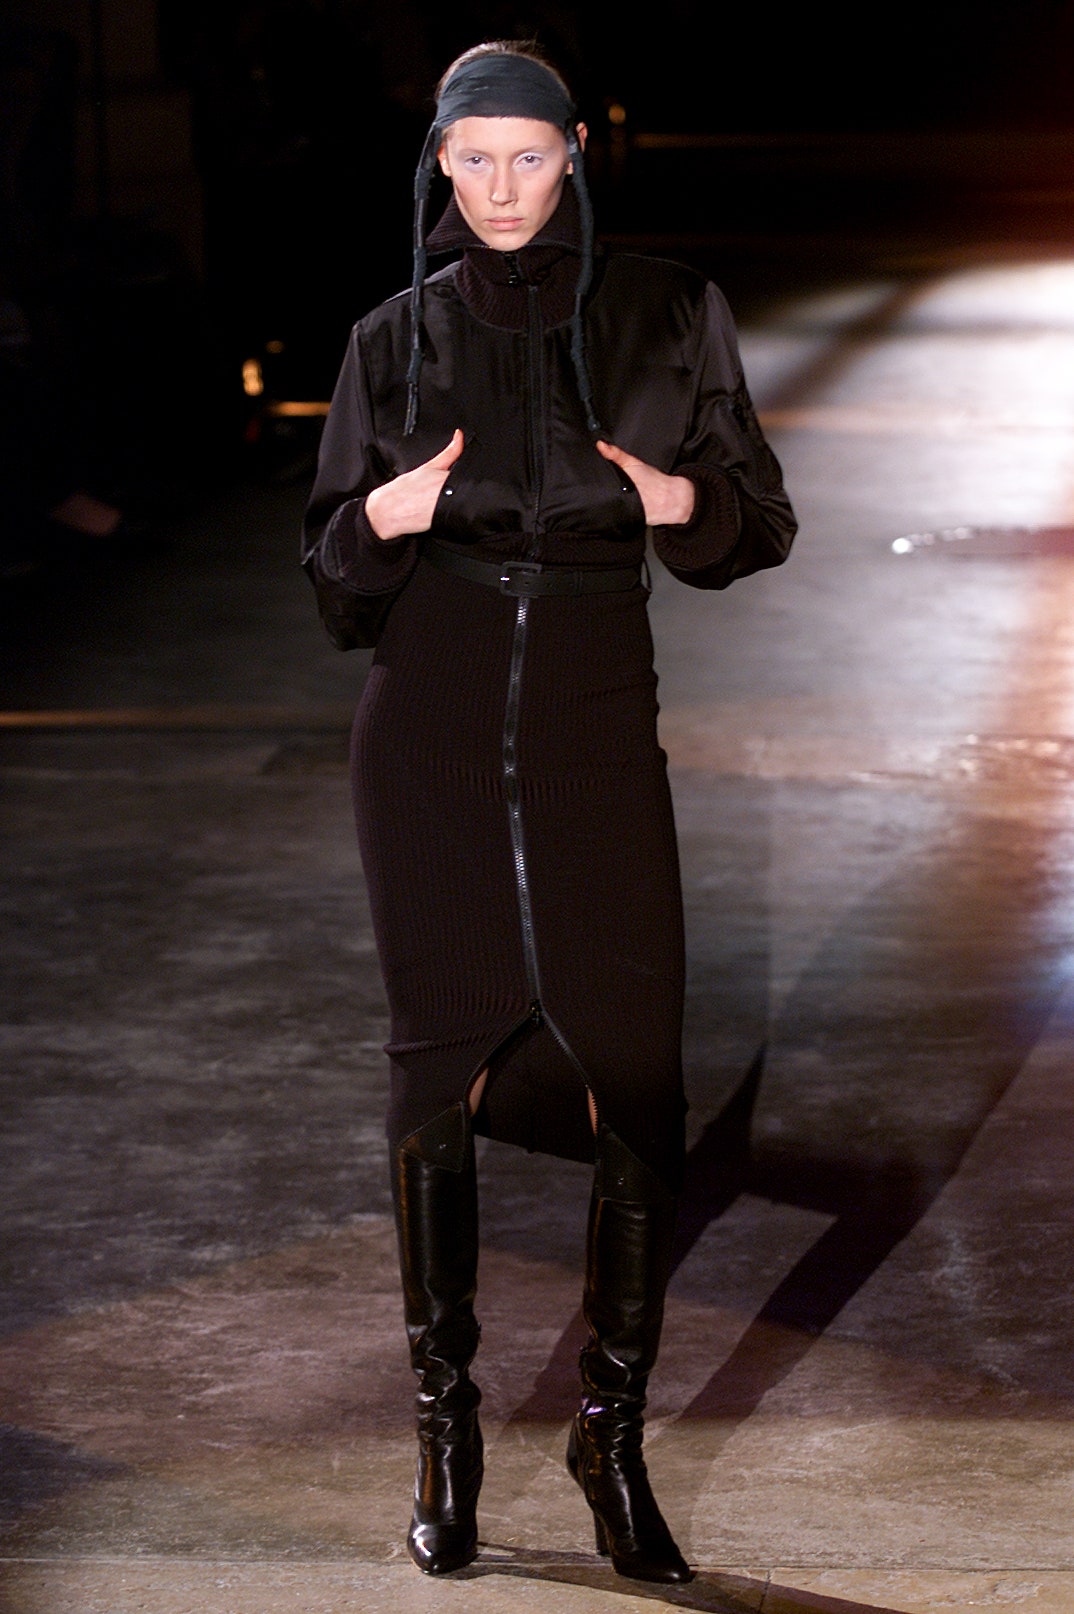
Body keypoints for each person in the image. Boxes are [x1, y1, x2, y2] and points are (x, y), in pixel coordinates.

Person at [302, 40, 796, 1584]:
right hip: (427, 726)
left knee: (635, 1075)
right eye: (475, 161)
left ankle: (608, 1432)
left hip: (594, 716)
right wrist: (376, 518)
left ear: (575, 151)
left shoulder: (664, 310)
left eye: (530, 157)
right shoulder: (391, 339)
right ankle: (445, 1436)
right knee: (434, 1077)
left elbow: (754, 520)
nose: (503, 189)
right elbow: (330, 579)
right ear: (439, 169)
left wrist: (671, 503)